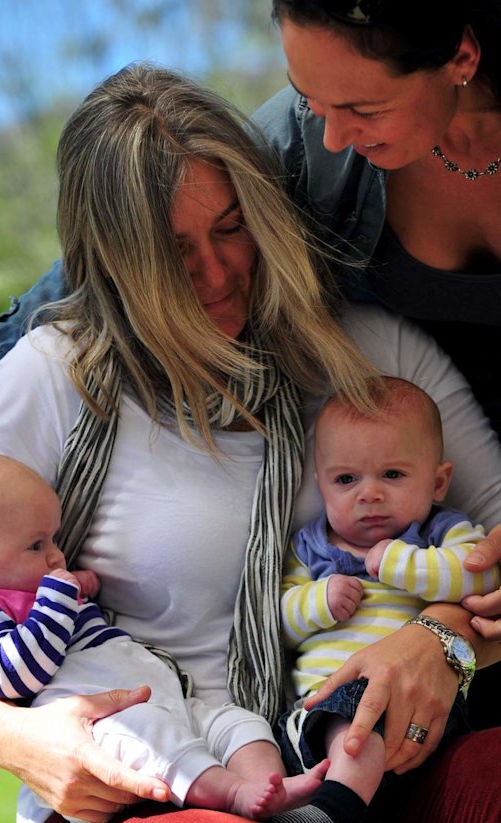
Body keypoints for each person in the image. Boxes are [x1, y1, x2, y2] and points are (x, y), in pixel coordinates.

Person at [0, 62, 501, 823]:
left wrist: (442, 634)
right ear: (118, 262)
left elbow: (493, 527)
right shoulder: (56, 373)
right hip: (161, 768)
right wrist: (17, 739)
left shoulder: (367, 358)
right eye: (174, 253)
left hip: (363, 755)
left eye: (232, 228)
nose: (219, 271)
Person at [261, 0, 501, 731]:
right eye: (310, 99)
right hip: (450, 523)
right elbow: (129, 239)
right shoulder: (308, 142)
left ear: (462, 58)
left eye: (364, 107)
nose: (333, 133)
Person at [0, 449, 330, 823]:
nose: (56, 555)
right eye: (36, 545)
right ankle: (232, 794)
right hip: (106, 722)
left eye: (53, 540)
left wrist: (75, 586)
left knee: (236, 723)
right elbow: (13, 675)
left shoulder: (36, 589)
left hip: (166, 694)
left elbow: (70, 600)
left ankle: (270, 787)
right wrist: (57, 598)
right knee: (154, 738)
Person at [278, 377, 500, 816]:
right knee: (347, 712)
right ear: (320, 486)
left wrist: (402, 564)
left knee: (369, 706)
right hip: (320, 708)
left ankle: (335, 808)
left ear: (438, 482)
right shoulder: (310, 547)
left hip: (424, 709)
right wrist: (319, 600)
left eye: (393, 474)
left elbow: (480, 577)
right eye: (346, 479)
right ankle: (334, 801)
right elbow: (279, 624)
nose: (370, 493)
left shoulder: (441, 532)